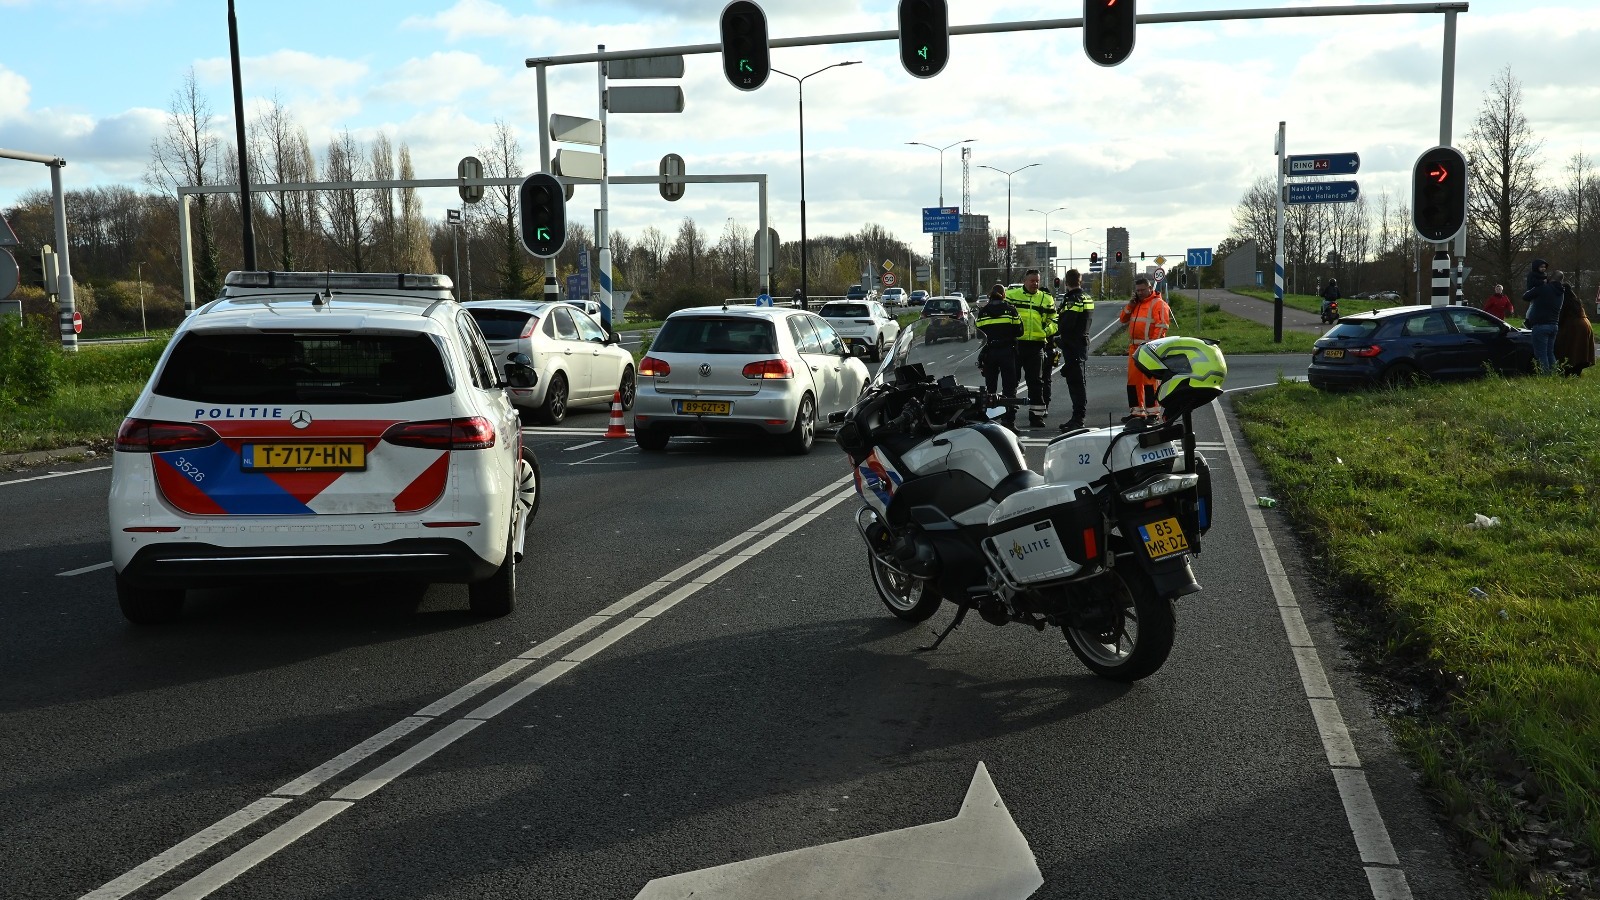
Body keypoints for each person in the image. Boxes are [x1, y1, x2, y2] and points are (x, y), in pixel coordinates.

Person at [1005, 269, 1058, 428]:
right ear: (1025, 281)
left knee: (1036, 382)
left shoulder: (1046, 298)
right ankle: (1009, 417)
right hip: (1016, 345)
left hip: (1036, 346)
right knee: (1012, 382)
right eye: (1032, 281)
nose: (1035, 283)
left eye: (1037, 281)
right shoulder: (1012, 295)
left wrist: (1046, 331)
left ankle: (1036, 417)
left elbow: (1055, 320)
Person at [1119, 277, 1172, 423]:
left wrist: (1153, 347)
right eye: (1138, 290)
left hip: (1149, 349)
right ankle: (1137, 412)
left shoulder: (1158, 304)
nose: (1140, 293)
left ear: (1150, 288)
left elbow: (1161, 327)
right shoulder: (1136, 303)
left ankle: (1153, 414)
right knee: (1133, 382)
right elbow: (1123, 318)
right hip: (1134, 348)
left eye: (1142, 290)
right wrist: (1131, 303)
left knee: (1150, 382)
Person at [975, 284, 1023, 429]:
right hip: (1007, 352)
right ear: (1003, 295)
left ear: (990, 295)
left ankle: (991, 422)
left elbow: (978, 334)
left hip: (990, 353)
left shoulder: (983, 312)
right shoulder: (1011, 310)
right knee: (1010, 388)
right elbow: (1019, 331)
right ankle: (1009, 421)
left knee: (990, 390)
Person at [1056, 268, 1094, 431]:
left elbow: (1067, 324)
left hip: (1073, 345)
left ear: (1066, 282)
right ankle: (1077, 416)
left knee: (1076, 382)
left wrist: (1057, 337)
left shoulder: (1073, 300)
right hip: (1081, 343)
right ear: (1081, 281)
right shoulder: (1087, 298)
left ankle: (1078, 418)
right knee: (1078, 381)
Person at [1522, 269, 1566, 374]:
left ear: (1551, 277)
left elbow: (1526, 296)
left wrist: (1541, 284)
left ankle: (1545, 377)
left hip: (1540, 325)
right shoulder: (1561, 292)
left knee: (1541, 354)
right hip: (1554, 325)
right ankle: (1554, 374)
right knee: (1550, 353)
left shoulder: (1543, 288)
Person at [1554, 281, 1595, 376]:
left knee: (1570, 349)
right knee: (1582, 350)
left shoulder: (1564, 300)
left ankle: (1567, 371)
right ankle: (1576, 371)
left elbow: (1562, 317)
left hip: (1575, 326)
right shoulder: (1575, 299)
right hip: (1585, 324)